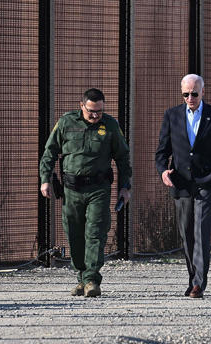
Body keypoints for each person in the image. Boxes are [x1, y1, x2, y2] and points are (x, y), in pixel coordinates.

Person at [39, 88, 132, 298]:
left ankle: (91, 279)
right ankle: (81, 276)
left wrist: (125, 187)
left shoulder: (110, 125)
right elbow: (49, 152)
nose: (95, 115)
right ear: (81, 106)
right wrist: (45, 179)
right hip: (72, 189)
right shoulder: (66, 123)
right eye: (91, 111)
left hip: (98, 188)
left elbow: (123, 158)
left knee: (95, 232)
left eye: (99, 111)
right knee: (74, 234)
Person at [155, 74, 211, 298]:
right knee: (186, 231)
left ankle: (199, 283)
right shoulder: (172, 115)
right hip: (180, 183)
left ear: (203, 92)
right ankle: (192, 277)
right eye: (186, 94)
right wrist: (163, 171)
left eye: (194, 93)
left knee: (201, 230)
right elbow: (162, 152)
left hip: (206, 181)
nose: (190, 98)